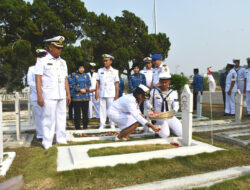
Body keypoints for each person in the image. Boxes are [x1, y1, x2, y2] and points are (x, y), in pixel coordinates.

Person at [35, 36, 71, 149]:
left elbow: (65, 78)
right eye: (57, 48)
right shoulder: (42, 61)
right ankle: (47, 142)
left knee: (61, 118)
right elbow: (38, 79)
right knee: (48, 119)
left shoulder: (63, 62)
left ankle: (61, 139)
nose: (59, 50)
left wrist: (68, 94)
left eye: (61, 48)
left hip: (61, 94)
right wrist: (39, 96)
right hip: (49, 95)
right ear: (50, 48)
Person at [148, 72, 182, 137]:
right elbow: (148, 103)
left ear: (169, 82)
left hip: (169, 116)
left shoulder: (173, 93)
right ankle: (161, 130)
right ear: (159, 82)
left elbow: (176, 105)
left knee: (181, 133)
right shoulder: (154, 91)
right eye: (162, 82)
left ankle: (170, 128)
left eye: (165, 82)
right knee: (165, 135)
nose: (164, 84)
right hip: (159, 116)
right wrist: (153, 109)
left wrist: (173, 111)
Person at [27, 49, 47, 141]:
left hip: (48, 95)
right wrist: (39, 90)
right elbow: (30, 81)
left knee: (48, 116)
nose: (39, 59)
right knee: (38, 116)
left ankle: (48, 134)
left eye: (41, 57)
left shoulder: (48, 68)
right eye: (38, 57)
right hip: (36, 96)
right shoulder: (31, 69)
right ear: (35, 58)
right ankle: (40, 135)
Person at [95, 54, 119, 129]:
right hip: (102, 93)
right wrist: (96, 92)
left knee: (111, 109)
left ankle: (112, 124)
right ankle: (102, 124)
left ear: (111, 61)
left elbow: (116, 84)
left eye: (106, 61)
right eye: (104, 61)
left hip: (111, 93)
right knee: (102, 110)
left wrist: (117, 94)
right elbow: (98, 82)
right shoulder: (100, 70)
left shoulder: (115, 71)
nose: (105, 62)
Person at [72, 63, 91, 129]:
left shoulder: (87, 75)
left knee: (85, 112)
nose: (81, 69)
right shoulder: (74, 75)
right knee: (77, 113)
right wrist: (79, 89)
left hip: (86, 96)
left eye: (83, 68)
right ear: (78, 68)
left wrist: (85, 89)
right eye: (80, 68)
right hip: (77, 96)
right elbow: (73, 84)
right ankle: (77, 127)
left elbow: (89, 83)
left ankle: (85, 126)